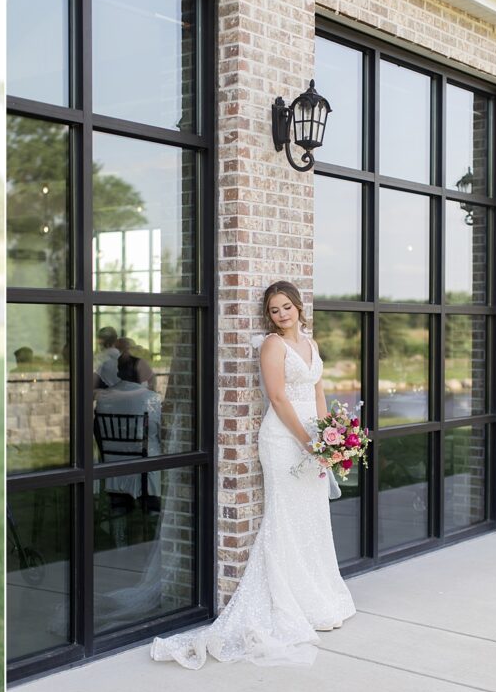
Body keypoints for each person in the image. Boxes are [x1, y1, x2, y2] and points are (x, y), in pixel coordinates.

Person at [150, 280, 356, 669]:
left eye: (286, 307)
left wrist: (330, 436)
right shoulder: (272, 345)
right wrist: (306, 441)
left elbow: (317, 393)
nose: (281, 315)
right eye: (274, 310)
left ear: (298, 306)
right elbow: (277, 397)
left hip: (312, 436)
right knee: (285, 517)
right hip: (282, 439)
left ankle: (318, 596)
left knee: (312, 517)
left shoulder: (310, 344)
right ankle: (287, 602)